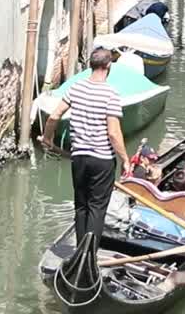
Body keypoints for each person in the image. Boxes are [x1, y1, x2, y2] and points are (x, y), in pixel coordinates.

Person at [39, 48, 132, 256]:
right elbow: (114, 133)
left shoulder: (76, 88)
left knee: (81, 206)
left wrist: (47, 138)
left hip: (79, 158)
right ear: (108, 66)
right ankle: (89, 257)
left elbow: (55, 115)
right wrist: (125, 160)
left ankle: (80, 253)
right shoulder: (111, 93)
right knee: (97, 209)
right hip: (102, 161)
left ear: (91, 64)